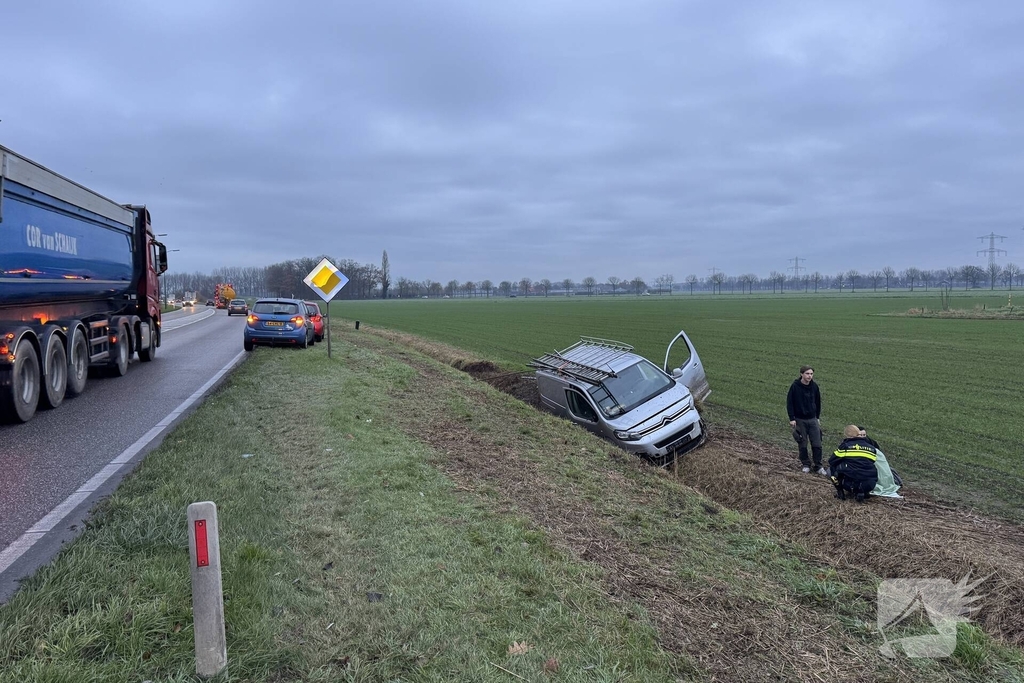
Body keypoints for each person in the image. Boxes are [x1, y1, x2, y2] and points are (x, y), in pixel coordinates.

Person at [787, 366, 825, 475]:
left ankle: (818, 466)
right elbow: (790, 403)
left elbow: (818, 402)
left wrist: (817, 417)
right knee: (802, 443)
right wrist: (792, 418)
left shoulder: (814, 386)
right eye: (807, 374)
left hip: (812, 419)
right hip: (800, 420)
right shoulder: (795, 386)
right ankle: (806, 464)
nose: (809, 376)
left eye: (811, 374)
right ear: (801, 374)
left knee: (817, 443)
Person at [829, 425, 881, 502]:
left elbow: (832, 461)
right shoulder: (872, 448)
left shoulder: (845, 446)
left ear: (848, 435)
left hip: (850, 484)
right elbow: (872, 461)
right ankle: (862, 492)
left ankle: (840, 493)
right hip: (870, 484)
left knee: (833, 467)